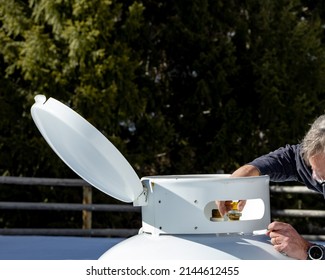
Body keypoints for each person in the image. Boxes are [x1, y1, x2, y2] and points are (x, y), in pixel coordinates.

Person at [217, 114, 325, 260]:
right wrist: (248, 172)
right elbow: (292, 158)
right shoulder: (316, 159)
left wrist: (308, 250)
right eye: (318, 175)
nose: (318, 181)